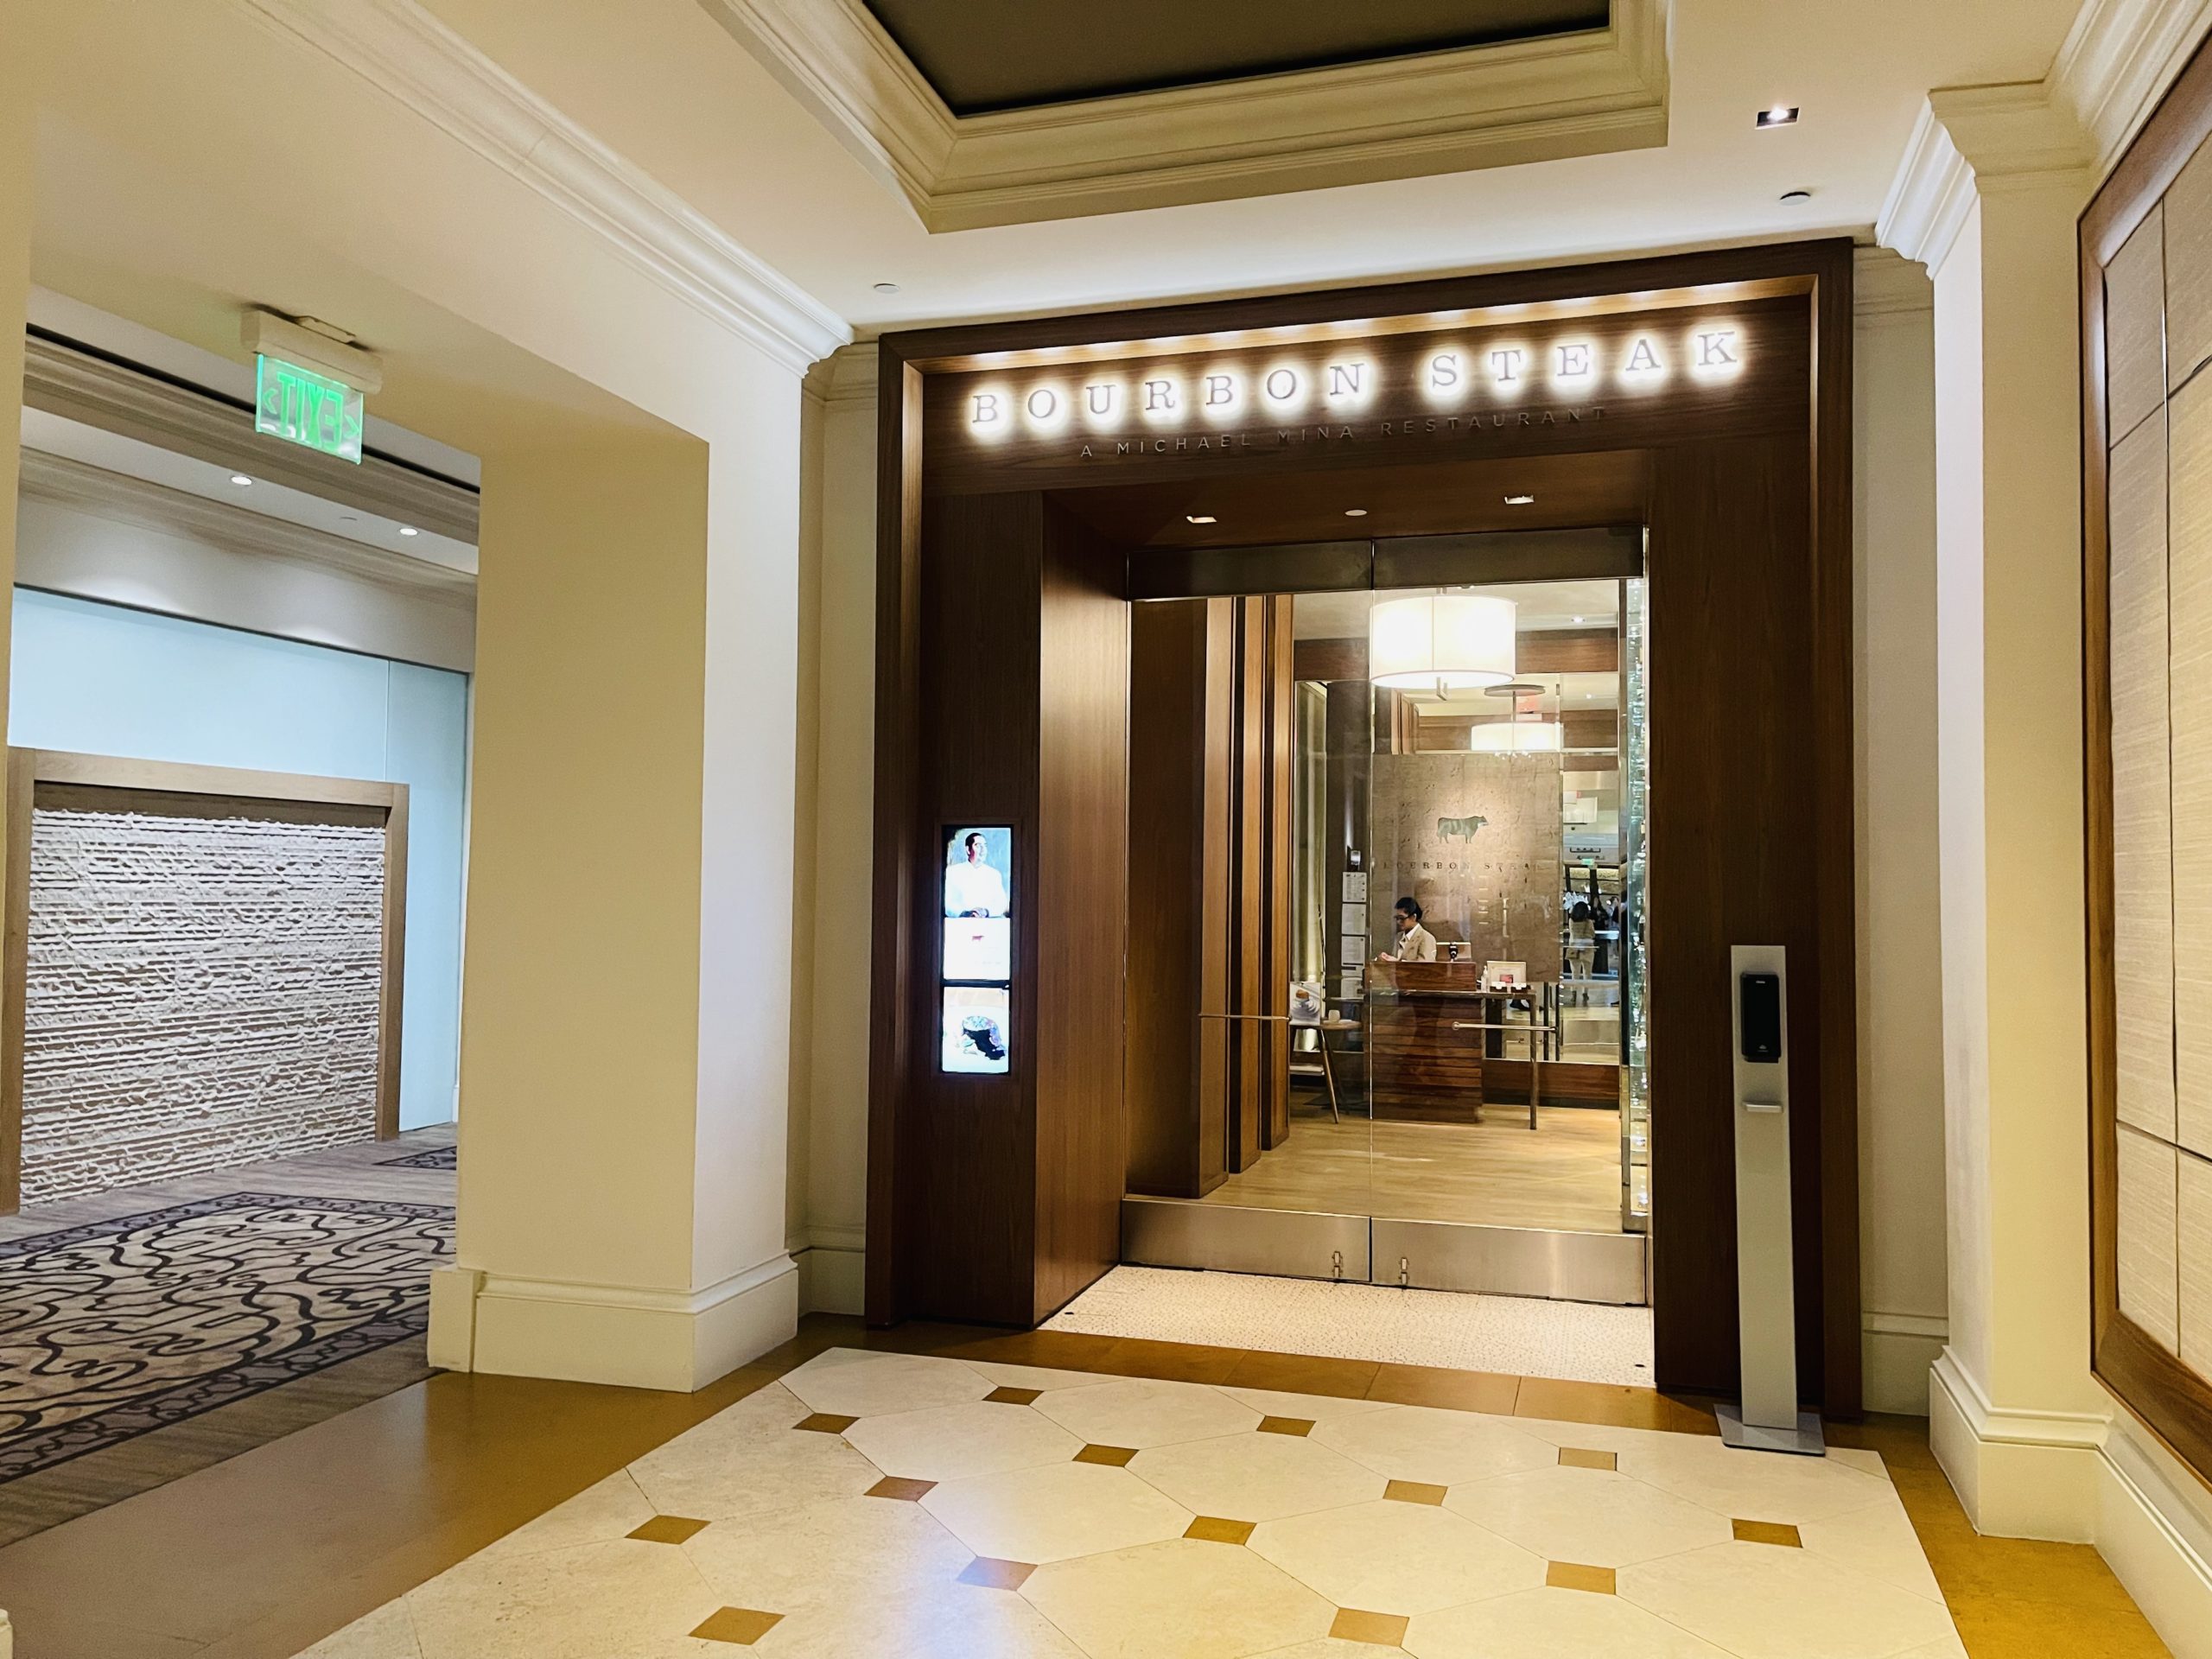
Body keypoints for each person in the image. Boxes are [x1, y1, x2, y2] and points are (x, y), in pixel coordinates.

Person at [944, 831, 1008, 917]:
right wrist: (965, 913)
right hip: (960, 923)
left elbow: (1001, 903)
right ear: (968, 850)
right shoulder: (953, 872)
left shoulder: (994, 875)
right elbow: (947, 902)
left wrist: (985, 912)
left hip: (988, 923)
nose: (983, 850)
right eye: (978, 845)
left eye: (984, 845)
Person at [1382, 896, 1437, 963]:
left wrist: (1397, 963)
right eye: (1397, 918)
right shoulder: (1399, 936)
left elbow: (1425, 968)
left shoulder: (1426, 938)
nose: (1398, 922)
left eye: (1402, 918)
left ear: (1414, 917)